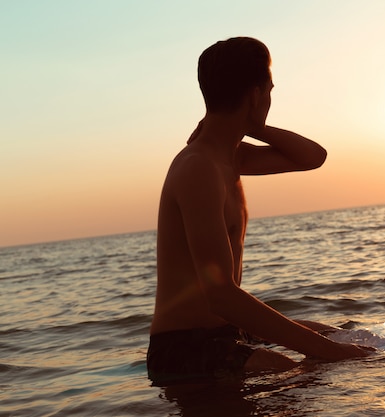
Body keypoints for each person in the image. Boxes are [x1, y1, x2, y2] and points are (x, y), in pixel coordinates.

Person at [147, 37, 371, 387]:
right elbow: (220, 294)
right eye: (269, 90)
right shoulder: (199, 168)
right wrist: (333, 355)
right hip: (183, 349)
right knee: (301, 372)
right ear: (255, 95)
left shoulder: (231, 157)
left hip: (227, 332)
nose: (270, 98)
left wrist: (256, 125)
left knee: (340, 337)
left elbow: (313, 157)